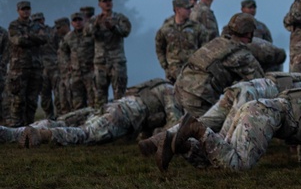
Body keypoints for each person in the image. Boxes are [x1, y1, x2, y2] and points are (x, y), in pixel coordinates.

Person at [169, 84, 301, 171]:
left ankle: (187, 147)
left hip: (256, 109)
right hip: (262, 116)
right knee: (238, 165)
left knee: (215, 160)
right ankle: (196, 129)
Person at [18, 78, 182, 147]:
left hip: (113, 107)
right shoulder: (170, 91)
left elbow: (144, 131)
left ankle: (11, 133)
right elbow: (173, 123)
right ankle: (42, 135)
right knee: (85, 134)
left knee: (63, 121)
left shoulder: (155, 85)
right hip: (124, 115)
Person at [173, 13, 265, 117]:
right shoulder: (241, 54)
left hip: (179, 89)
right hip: (197, 97)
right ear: (249, 33)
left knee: (181, 128)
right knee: (207, 130)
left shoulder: (218, 42)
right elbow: (261, 82)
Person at [6, 1, 47, 126]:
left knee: (32, 100)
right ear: (18, 10)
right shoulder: (14, 25)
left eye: (28, 9)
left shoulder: (36, 25)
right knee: (18, 99)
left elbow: (44, 38)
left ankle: (29, 127)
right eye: (23, 9)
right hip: (19, 69)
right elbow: (18, 40)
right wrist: (33, 38)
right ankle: (16, 128)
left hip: (35, 68)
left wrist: (28, 37)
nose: (26, 11)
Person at [86, 0, 131, 104]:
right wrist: (96, 24)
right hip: (101, 62)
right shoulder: (94, 20)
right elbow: (86, 33)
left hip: (117, 61)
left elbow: (126, 31)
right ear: (99, 4)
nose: (107, 3)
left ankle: (120, 119)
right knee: (100, 96)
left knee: (119, 95)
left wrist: (113, 28)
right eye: (104, 1)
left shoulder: (120, 18)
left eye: (109, 0)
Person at [155, 0, 211, 83]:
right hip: (172, 74)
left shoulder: (197, 28)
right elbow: (159, 48)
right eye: (187, 9)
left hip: (192, 72)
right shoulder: (166, 29)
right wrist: (165, 66)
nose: (190, 11)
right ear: (178, 10)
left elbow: (205, 48)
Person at [59, 13, 92, 111]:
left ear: (84, 21)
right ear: (72, 23)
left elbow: (99, 47)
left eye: (80, 20)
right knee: (77, 102)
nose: (78, 22)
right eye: (75, 20)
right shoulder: (69, 37)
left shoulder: (90, 34)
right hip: (76, 73)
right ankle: (79, 124)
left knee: (93, 100)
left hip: (90, 72)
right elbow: (63, 51)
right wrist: (67, 63)